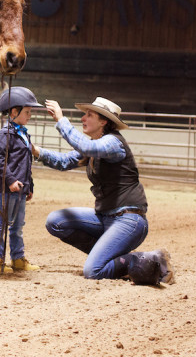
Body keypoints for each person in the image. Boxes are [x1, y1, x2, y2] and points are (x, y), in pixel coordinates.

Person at [33, 97, 174, 286]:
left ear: (104, 121)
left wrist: (61, 119)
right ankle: (112, 256)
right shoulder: (97, 147)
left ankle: (148, 258)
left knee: (93, 271)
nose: (83, 118)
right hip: (106, 217)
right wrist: (34, 150)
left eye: (89, 115)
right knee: (56, 221)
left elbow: (86, 146)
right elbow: (64, 161)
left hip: (128, 219)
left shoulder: (112, 143)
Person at [0, 87, 42, 274]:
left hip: (20, 189)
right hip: (7, 188)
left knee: (18, 226)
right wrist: (10, 180)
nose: (29, 115)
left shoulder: (24, 134)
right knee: (1, 223)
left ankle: (17, 258)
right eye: (27, 112)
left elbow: (27, 162)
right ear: (14, 111)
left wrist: (29, 185)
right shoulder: (5, 134)